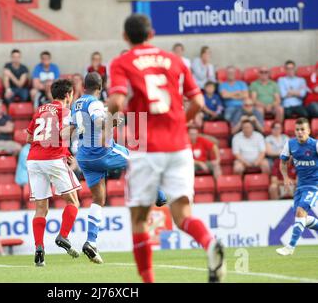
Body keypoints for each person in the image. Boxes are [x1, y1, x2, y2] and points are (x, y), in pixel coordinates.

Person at [107, 14, 225, 283]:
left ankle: (149, 281)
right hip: (179, 146)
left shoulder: (122, 62)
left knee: (139, 219)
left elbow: (115, 100)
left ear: (125, 37)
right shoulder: (175, 60)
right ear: (152, 33)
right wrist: (181, 123)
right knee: (183, 215)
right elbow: (197, 100)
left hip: (146, 147)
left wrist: (114, 114)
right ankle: (209, 243)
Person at [71, 72, 129, 264]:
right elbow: (98, 122)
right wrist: (114, 121)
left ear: (84, 86)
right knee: (138, 160)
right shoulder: (94, 102)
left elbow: (72, 129)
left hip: (84, 157)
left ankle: (91, 242)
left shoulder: (76, 104)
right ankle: (160, 196)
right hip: (101, 152)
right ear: (100, 86)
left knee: (99, 198)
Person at [27, 79, 81, 267]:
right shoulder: (65, 111)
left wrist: (64, 150)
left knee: (41, 208)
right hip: (52, 158)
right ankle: (63, 236)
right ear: (68, 95)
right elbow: (65, 134)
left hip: (33, 160)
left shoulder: (41, 109)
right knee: (73, 201)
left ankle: (39, 248)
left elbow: (28, 137)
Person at [276, 118, 318, 256]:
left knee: (301, 212)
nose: (300, 132)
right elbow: (282, 163)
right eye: (297, 130)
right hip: (300, 186)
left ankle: (290, 247)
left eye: (303, 130)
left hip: (314, 186)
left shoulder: (315, 145)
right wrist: (286, 177)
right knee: (302, 219)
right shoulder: (290, 144)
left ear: (309, 131)